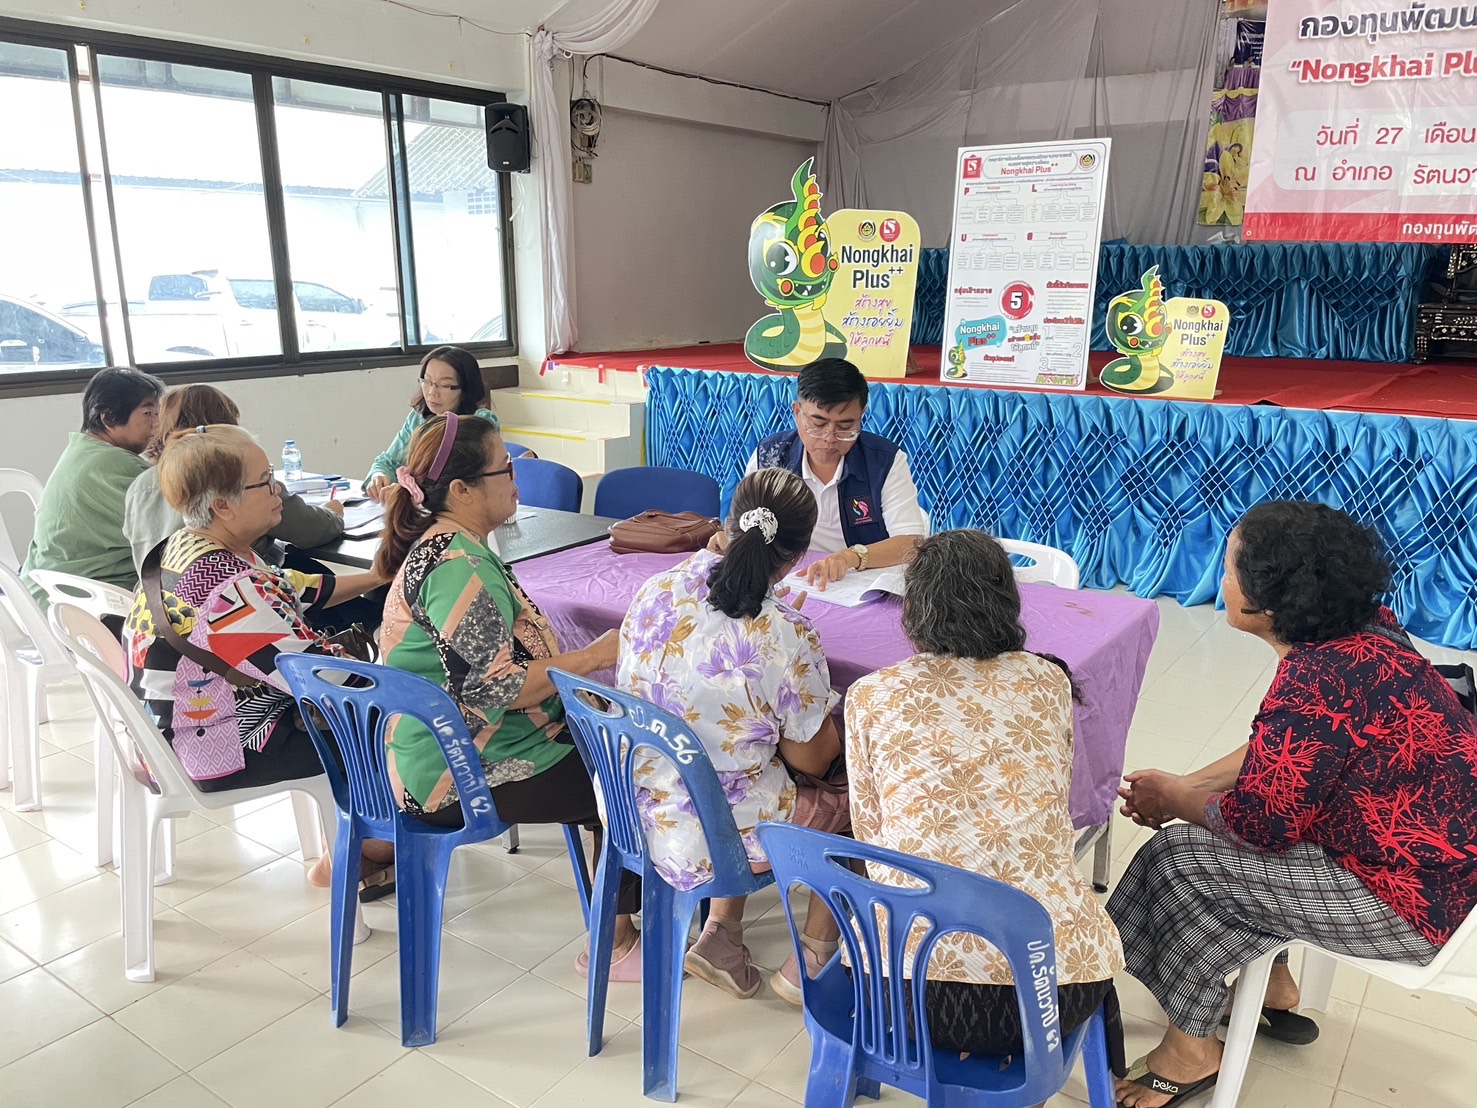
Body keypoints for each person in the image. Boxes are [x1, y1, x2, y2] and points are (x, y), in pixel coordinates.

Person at [1109, 501, 1477, 1108]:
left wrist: (1175, 799)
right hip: (1444, 865)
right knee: (1214, 853)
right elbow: (1285, 753)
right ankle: (1273, 989)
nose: (1219, 578)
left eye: (1229, 569)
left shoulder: (1314, 681)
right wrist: (1184, 784)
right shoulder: (1371, 629)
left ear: (1266, 601)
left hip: (1420, 903)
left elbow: (1260, 826)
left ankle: (1191, 1051)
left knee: (1177, 858)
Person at [845, 530, 1125, 1083]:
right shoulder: (1049, 681)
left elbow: (871, 835)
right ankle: (1035, 1083)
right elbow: (1056, 804)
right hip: (1049, 991)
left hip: (899, 995)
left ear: (913, 609)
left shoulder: (871, 694)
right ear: (1008, 600)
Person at [374, 412, 641, 968]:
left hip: (447, 744)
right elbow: (497, 689)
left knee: (617, 742)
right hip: (460, 767)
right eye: (505, 469)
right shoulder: (456, 566)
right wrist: (593, 656)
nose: (516, 479)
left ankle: (616, 921)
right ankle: (614, 943)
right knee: (632, 775)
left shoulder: (447, 546)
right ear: (462, 489)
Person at [125, 425, 392, 889]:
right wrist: (394, 688)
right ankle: (363, 850)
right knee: (378, 719)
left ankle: (362, 839)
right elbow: (310, 675)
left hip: (158, 730)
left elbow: (285, 588)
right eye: (266, 481)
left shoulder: (189, 548)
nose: (279, 491)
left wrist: (374, 577)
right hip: (206, 746)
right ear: (223, 504)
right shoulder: (224, 587)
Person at [618, 467, 848, 1001]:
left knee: (742, 763)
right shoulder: (786, 632)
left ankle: (721, 936)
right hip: (714, 836)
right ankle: (810, 960)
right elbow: (813, 761)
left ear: (726, 525)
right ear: (796, 559)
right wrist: (788, 636)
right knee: (856, 799)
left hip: (637, 812)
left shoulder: (655, 590)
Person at [744, 357, 927, 591]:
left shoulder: (884, 461)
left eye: (845, 426)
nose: (830, 438)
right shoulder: (770, 456)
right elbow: (746, 522)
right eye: (818, 424)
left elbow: (911, 543)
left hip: (860, 583)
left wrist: (851, 557)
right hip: (788, 578)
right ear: (797, 412)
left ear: (861, 417)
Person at [124, 384, 345, 576]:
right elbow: (310, 529)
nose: (274, 488)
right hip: (238, 592)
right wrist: (333, 513)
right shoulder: (236, 476)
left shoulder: (139, 486)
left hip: (164, 598)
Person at [22, 366, 164, 607]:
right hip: (85, 604)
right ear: (107, 418)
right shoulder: (114, 464)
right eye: (148, 413)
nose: (157, 423)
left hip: (47, 593)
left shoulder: (83, 450)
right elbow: (177, 528)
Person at [363, 346, 500, 502]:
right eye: (427, 381)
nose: (431, 392)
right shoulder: (418, 418)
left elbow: (455, 479)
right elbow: (389, 461)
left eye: (444, 385)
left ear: (466, 390)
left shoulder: (479, 422)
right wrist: (379, 475)